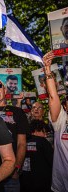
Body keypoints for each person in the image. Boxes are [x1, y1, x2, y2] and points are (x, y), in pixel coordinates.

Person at [0, 77, 29, 192]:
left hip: (10, 176)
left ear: (5, 90)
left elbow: (22, 143)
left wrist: (17, 168)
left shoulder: (17, 112)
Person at [43, 50, 68, 192]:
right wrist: (47, 69)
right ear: (65, 106)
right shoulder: (61, 120)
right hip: (61, 186)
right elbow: (53, 97)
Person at [20, 119, 53, 192]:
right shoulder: (43, 142)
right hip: (43, 183)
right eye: (43, 131)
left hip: (25, 182)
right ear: (36, 130)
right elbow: (52, 160)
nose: (45, 135)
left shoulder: (22, 143)